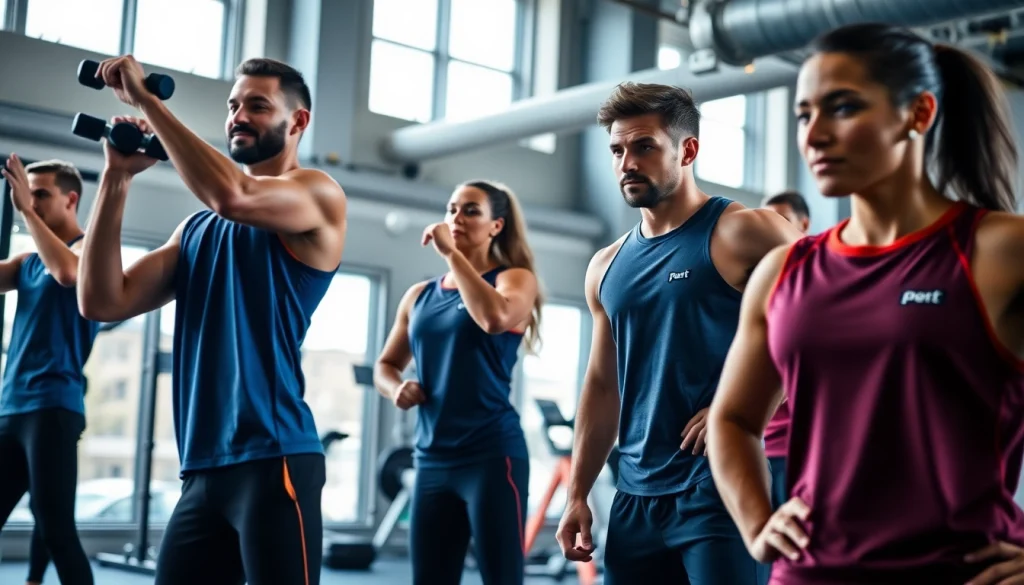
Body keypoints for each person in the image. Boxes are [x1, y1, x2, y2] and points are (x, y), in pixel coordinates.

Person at [707, 22, 1024, 585]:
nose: (815, 134)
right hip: (810, 573)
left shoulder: (1000, 251)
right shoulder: (782, 273)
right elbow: (731, 419)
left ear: (918, 114)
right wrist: (757, 524)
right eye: (804, 115)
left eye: (844, 107)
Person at [76, 55, 348, 585]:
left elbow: (233, 195)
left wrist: (147, 103)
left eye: (258, 106)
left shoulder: (318, 194)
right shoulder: (197, 229)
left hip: (274, 457)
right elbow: (102, 301)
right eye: (233, 105)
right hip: (202, 468)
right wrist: (116, 178)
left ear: (298, 121)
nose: (238, 116)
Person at [554, 82, 803, 584]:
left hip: (718, 486)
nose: (627, 163)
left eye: (644, 146)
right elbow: (602, 386)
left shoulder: (746, 231)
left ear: (687, 150)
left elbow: (825, 317)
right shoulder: (605, 266)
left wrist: (742, 405)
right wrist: (577, 493)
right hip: (634, 497)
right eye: (617, 150)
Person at [374, 180, 541, 585]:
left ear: (496, 226)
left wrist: (451, 254)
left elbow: (493, 318)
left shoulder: (514, 280)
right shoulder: (419, 296)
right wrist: (395, 388)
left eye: (471, 211)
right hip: (431, 459)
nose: (456, 218)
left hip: (491, 456)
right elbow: (386, 365)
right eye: (452, 209)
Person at [0, 157, 99, 585]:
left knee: (56, 529)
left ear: (70, 199)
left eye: (41, 194)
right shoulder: (26, 263)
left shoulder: (87, 251)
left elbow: (68, 274)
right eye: (28, 194)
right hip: (11, 409)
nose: (32, 201)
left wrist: (24, 210)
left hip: (53, 408)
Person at [759, 190, 811, 512]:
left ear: (803, 224)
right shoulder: (755, 285)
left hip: (801, 451)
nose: (772, 228)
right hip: (759, 448)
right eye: (765, 221)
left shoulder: (814, 280)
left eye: (781, 220)